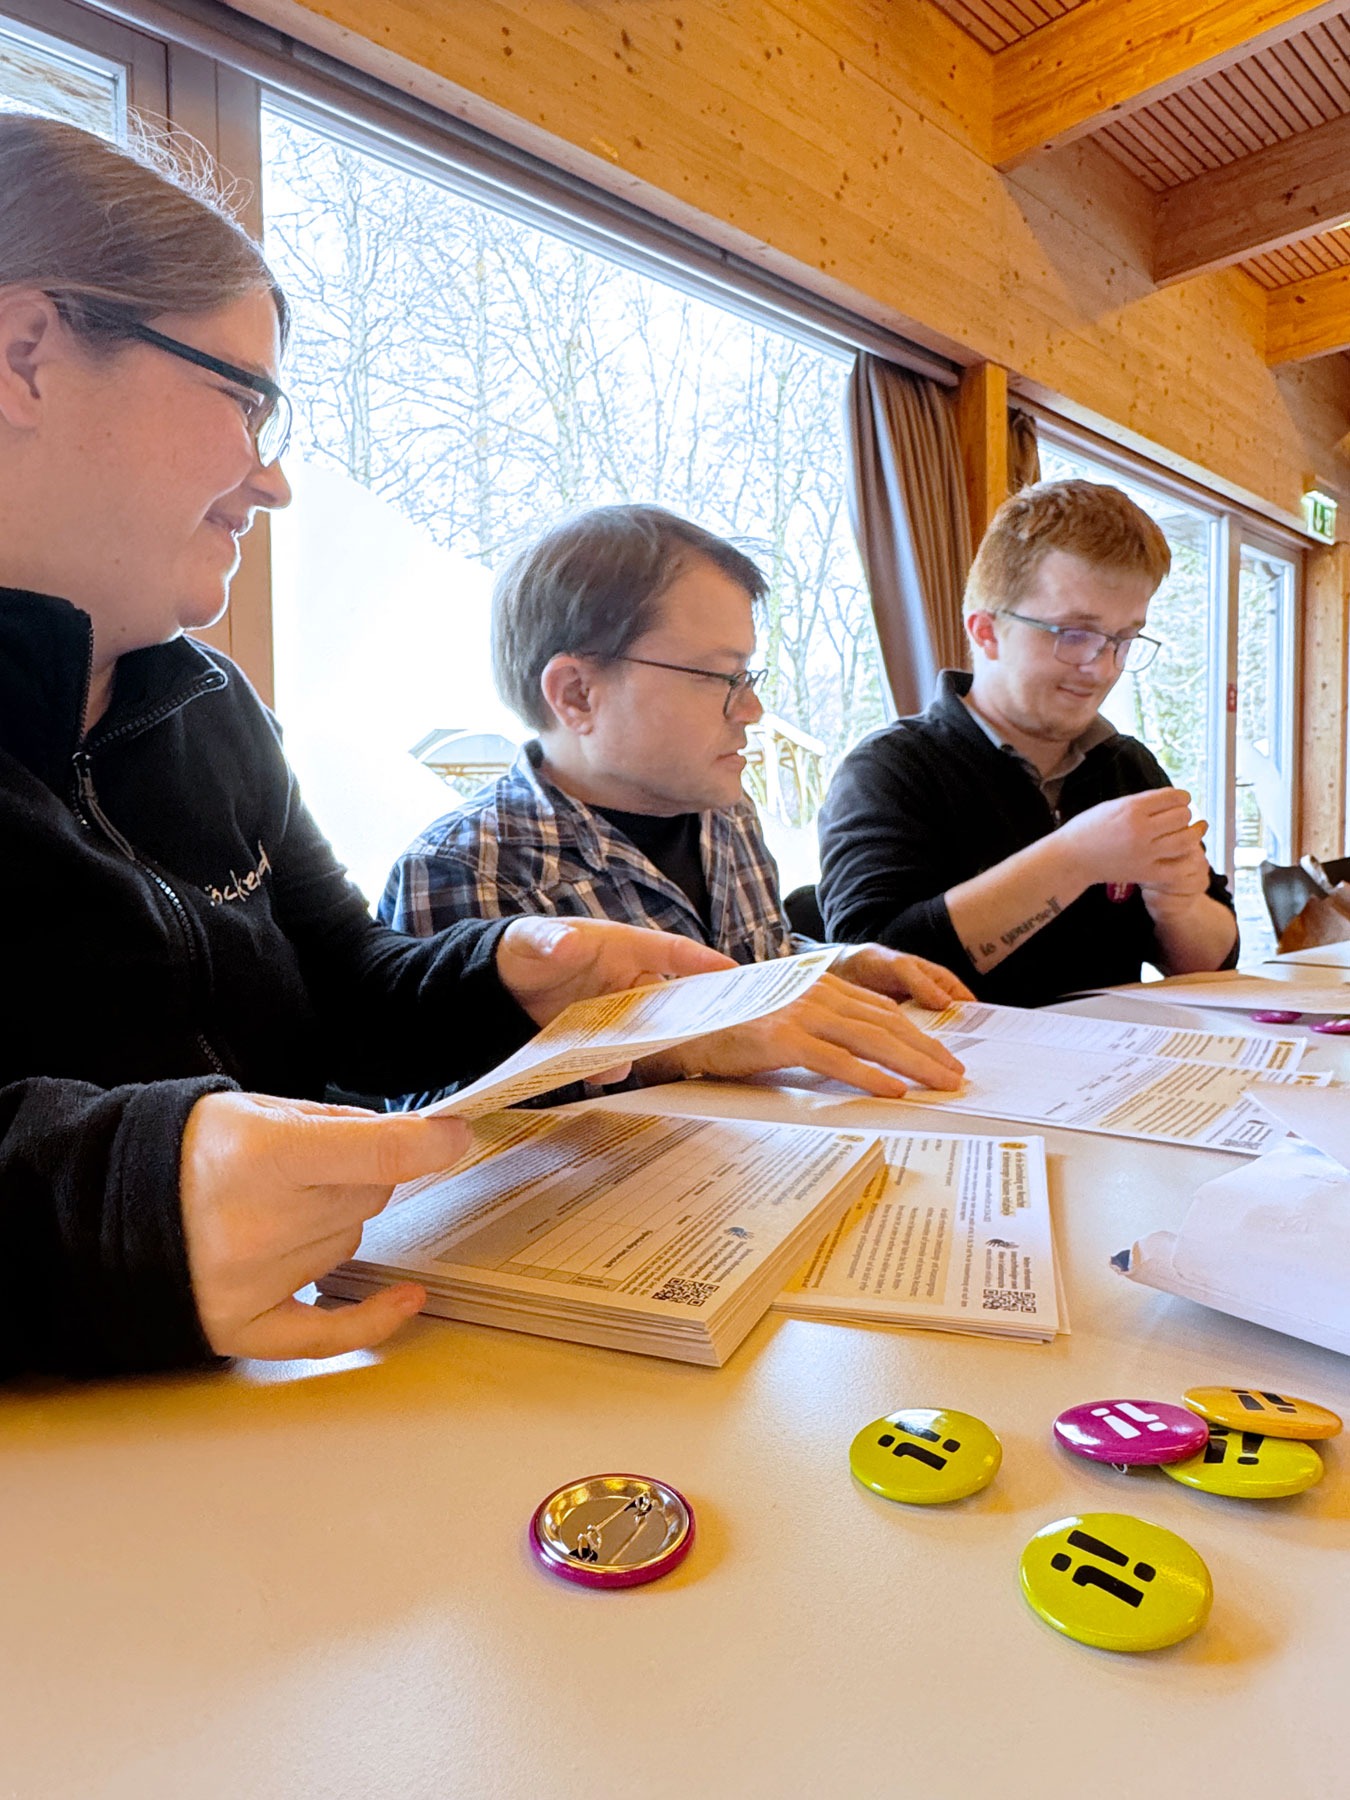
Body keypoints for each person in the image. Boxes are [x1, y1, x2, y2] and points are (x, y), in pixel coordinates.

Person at [0, 116, 733, 1381]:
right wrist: (123, 1205)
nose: (273, 481)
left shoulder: (206, 705)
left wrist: (516, 975)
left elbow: (346, 994)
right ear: (25, 356)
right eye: (246, 399)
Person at [381, 505, 972, 1096]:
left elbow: (749, 965)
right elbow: (450, 1108)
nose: (752, 710)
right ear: (577, 694)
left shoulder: (725, 813)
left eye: (748, 677)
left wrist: (829, 965)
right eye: (718, 678)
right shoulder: (471, 864)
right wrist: (676, 1045)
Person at [817, 479, 1238, 1006]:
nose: (1102, 668)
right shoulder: (889, 769)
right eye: (1074, 634)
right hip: (949, 1058)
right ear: (986, 631)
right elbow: (865, 966)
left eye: (1123, 639)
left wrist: (1181, 906)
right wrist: (1075, 858)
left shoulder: (1126, 766)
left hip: (1117, 1053)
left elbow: (1214, 964)